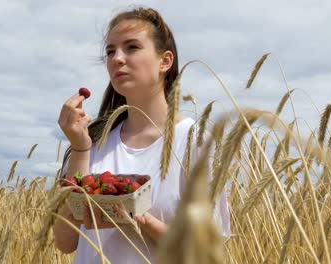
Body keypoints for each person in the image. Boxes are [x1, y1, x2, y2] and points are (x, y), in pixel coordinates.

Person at [53, 6, 230, 264]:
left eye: (132, 47)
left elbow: (206, 253)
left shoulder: (194, 140)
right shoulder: (94, 140)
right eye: (110, 51)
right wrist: (80, 148)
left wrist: (137, 217)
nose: (117, 58)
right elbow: (64, 241)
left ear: (165, 61)